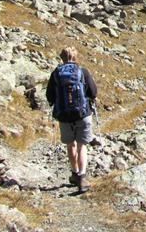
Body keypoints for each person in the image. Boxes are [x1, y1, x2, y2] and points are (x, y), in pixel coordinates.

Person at [46, 46, 98, 193]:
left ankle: (74, 173)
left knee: (71, 145)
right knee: (82, 146)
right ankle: (82, 177)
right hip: (83, 114)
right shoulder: (83, 71)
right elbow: (93, 92)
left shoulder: (56, 74)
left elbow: (49, 96)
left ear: (61, 58)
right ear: (75, 57)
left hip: (64, 115)